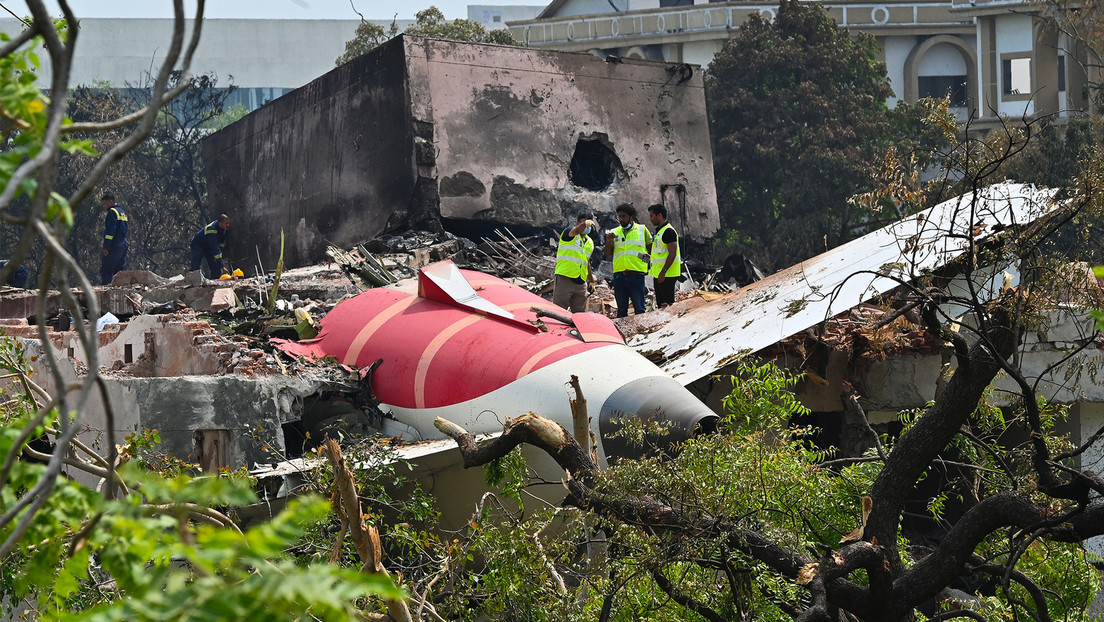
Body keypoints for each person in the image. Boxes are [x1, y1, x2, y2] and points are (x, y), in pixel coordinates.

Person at [604, 203, 651, 317]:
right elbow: (608, 254)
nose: (621, 219)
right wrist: (609, 241)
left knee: (639, 308)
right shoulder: (614, 232)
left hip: (636, 275)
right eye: (619, 216)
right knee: (621, 310)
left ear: (631, 217)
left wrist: (648, 257)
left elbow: (651, 248)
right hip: (619, 276)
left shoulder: (642, 230)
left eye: (624, 216)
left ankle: (641, 332)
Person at [553, 214, 596, 312]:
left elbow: (587, 262)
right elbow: (577, 230)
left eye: (588, 225)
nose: (586, 227)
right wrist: (584, 224)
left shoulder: (590, 242)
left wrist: (591, 281)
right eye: (583, 224)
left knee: (580, 314)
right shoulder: (569, 233)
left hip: (581, 282)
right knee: (559, 310)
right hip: (565, 278)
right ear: (577, 223)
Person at [647, 203, 682, 308]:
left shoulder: (668, 231)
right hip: (659, 274)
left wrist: (663, 272)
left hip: (667, 275)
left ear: (659, 215)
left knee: (667, 305)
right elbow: (661, 253)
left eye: (651, 216)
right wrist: (650, 257)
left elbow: (672, 253)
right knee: (661, 305)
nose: (650, 219)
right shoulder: (660, 232)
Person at [99, 193, 128, 285]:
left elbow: (110, 231)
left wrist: (106, 246)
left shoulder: (112, 212)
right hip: (123, 244)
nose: (104, 206)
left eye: (105, 203)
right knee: (119, 271)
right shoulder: (121, 212)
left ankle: (105, 290)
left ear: (111, 202)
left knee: (106, 270)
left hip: (114, 245)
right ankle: (119, 289)